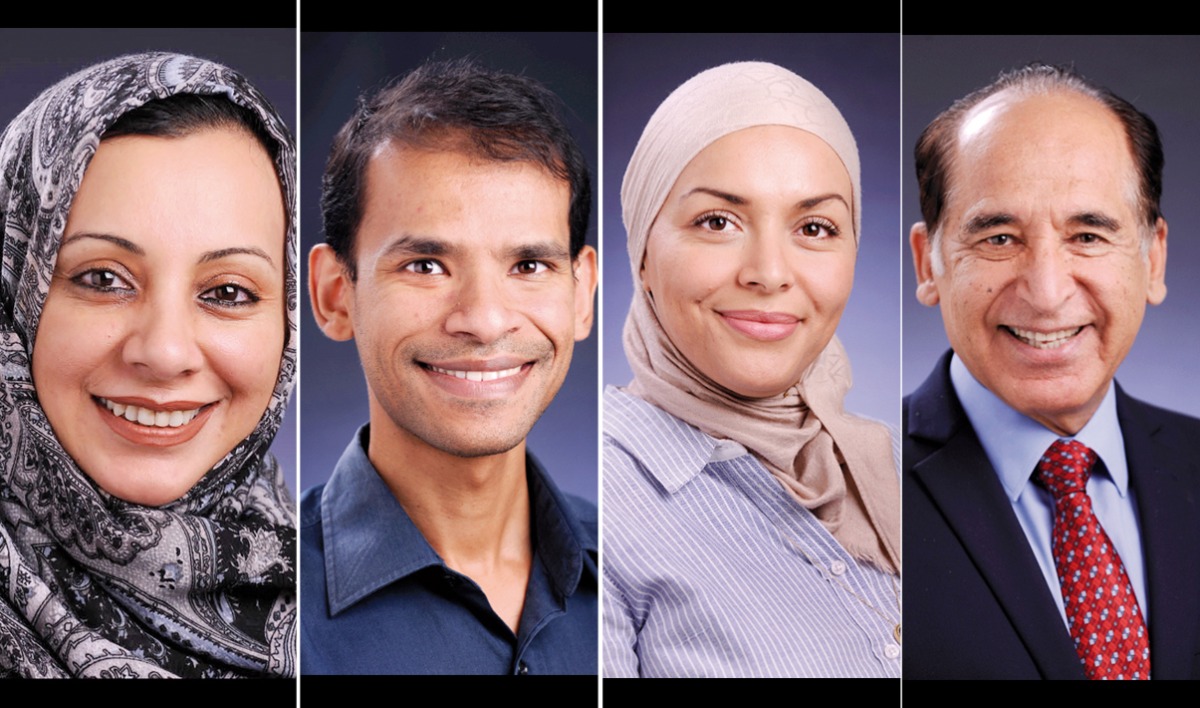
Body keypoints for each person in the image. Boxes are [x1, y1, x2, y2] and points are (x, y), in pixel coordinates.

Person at [0, 52, 297, 678]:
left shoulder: (333, 599)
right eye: (104, 278)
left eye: (228, 293)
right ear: (13, 298)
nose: (164, 354)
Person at [603, 61, 902, 678]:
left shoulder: (892, 468)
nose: (768, 272)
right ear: (642, 253)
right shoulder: (600, 513)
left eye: (814, 227)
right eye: (717, 222)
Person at [302, 59, 599, 675]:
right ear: (336, 294)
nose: (485, 320)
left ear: (583, 292)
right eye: (426, 265)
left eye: (529, 266)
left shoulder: (649, 575)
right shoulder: (255, 617)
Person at [905, 62, 1200, 680]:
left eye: (1088, 235)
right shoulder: (846, 496)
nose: (1045, 292)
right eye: (999, 238)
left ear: (1154, 258)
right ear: (927, 264)